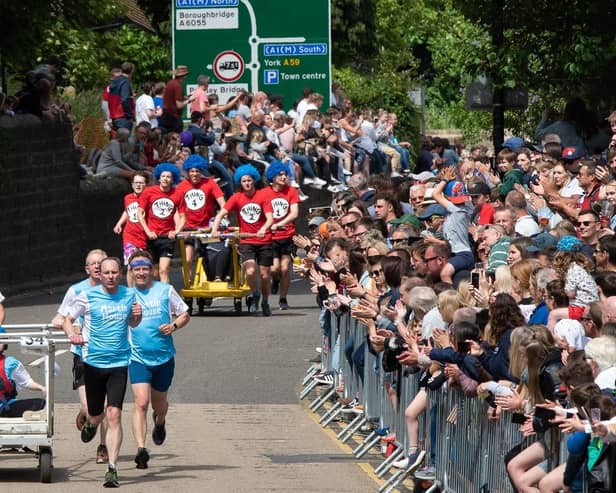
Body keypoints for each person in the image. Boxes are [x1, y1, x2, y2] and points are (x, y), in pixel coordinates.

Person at [62, 257, 142, 488]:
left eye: (114, 272)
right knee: (96, 415)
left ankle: (112, 469)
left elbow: (134, 323)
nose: (109, 276)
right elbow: (68, 319)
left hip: (119, 363)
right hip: (93, 363)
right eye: (106, 272)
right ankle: (90, 423)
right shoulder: (88, 296)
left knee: (114, 414)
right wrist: (73, 335)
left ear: (120, 273)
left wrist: (136, 316)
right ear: (101, 274)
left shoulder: (129, 295)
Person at [127, 251, 190, 469]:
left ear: (152, 270)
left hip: (163, 357)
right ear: (131, 272)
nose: (141, 272)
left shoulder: (165, 291)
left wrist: (173, 326)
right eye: (137, 269)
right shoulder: (126, 296)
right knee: (141, 403)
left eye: (145, 268)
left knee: (159, 404)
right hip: (137, 358)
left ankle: (160, 422)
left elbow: (184, 314)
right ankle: (141, 449)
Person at [51, 249, 109, 463]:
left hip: (108, 354)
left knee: (105, 406)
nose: (96, 266)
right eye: (92, 263)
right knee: (91, 407)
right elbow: (57, 319)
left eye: (100, 262)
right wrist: (72, 328)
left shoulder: (114, 290)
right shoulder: (76, 291)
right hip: (83, 354)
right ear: (87, 268)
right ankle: (85, 413)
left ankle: (103, 447)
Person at [211, 164, 274, 316]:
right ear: (240, 182)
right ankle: (255, 294)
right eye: (244, 180)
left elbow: (270, 218)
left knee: (265, 275)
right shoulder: (237, 197)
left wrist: (263, 229)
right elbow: (221, 213)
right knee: (251, 271)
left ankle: (265, 300)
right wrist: (215, 229)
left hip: (264, 240)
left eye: (249, 180)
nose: (247, 183)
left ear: (254, 180)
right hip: (246, 241)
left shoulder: (262, 196)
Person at [175, 154, 226, 279]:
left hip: (206, 228)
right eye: (191, 171)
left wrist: (219, 219)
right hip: (188, 228)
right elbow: (175, 208)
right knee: (187, 259)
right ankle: (189, 287)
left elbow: (223, 204)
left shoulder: (210, 183)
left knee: (209, 258)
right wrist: (178, 227)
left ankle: (208, 283)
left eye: (197, 171)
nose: (194, 174)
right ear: (187, 172)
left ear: (201, 171)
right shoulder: (181, 186)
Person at [138, 163, 185, 283]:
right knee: (154, 272)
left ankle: (165, 299)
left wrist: (176, 231)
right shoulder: (149, 192)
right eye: (163, 176)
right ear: (159, 177)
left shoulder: (177, 194)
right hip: (151, 236)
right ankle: (155, 293)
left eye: (168, 177)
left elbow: (183, 216)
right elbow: (140, 213)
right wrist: (147, 231)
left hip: (167, 238)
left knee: (164, 270)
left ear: (172, 179)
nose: (165, 179)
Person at [262, 161, 300, 309]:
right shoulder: (264, 193)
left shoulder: (291, 191)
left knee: (285, 268)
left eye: (285, 174)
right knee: (274, 269)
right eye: (280, 174)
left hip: (287, 236)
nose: (284, 177)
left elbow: (294, 213)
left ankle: (283, 299)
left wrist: (278, 224)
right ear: (273, 177)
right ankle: (275, 280)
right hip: (271, 238)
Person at [0, 327, 46, 418]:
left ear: (5, 344)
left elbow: (26, 382)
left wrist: (42, 388)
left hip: (5, 407)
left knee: (40, 403)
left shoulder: (10, 363)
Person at [113, 172, 148, 286]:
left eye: (141, 183)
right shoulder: (128, 198)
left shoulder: (149, 198)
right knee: (130, 266)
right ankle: (131, 293)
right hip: (130, 236)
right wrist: (119, 224)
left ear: (146, 185)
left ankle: (144, 291)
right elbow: (127, 211)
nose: (138, 185)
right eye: (136, 183)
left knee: (143, 267)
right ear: (132, 185)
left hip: (144, 237)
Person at [159, 66, 194, 134]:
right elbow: (179, 105)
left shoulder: (170, 83)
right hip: (174, 118)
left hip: (165, 116)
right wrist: (189, 100)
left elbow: (171, 97)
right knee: (176, 138)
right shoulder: (178, 86)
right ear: (184, 76)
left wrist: (185, 97)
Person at [108, 62, 135, 133]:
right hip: (123, 117)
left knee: (118, 141)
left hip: (114, 116)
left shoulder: (115, 81)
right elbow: (124, 99)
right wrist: (130, 115)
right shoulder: (125, 82)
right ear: (131, 71)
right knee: (124, 142)